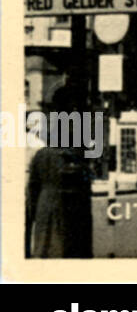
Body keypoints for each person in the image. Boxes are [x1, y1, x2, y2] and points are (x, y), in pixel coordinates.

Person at [26, 87, 94, 258]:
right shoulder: (77, 155)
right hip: (71, 214)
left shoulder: (42, 155)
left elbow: (32, 191)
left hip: (46, 208)